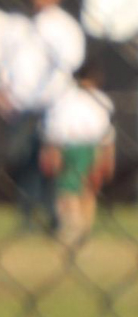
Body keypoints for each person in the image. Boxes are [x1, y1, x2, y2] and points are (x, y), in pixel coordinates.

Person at [0, 0, 84, 235]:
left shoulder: (65, 27)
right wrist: (1, 92)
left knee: (52, 162)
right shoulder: (18, 26)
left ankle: (54, 216)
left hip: (54, 104)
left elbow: (72, 62)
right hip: (21, 105)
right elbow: (4, 63)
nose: (40, 1)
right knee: (23, 160)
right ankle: (27, 217)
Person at [40, 66, 115, 247]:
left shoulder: (74, 98)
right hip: (78, 146)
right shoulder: (72, 98)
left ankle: (77, 228)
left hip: (83, 146)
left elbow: (106, 131)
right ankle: (79, 228)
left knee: (76, 190)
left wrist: (107, 155)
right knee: (76, 189)